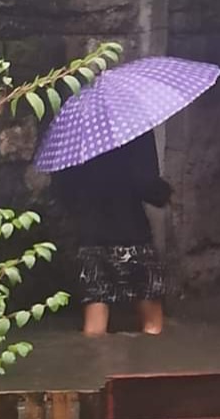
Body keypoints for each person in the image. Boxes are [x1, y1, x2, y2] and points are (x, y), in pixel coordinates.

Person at [55, 131, 172, 337]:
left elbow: (63, 187)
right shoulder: (136, 127)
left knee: (94, 331)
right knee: (153, 327)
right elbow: (145, 182)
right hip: (132, 235)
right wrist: (165, 193)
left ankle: (96, 368)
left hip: (90, 238)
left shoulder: (77, 132)